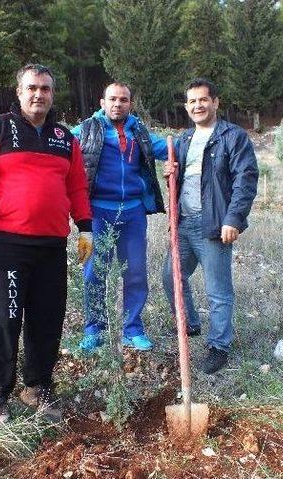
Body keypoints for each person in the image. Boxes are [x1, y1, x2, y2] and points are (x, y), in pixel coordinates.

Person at [0, 63, 93, 425]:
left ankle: (38, 386)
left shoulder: (66, 139)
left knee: (47, 320)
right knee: (4, 319)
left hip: (51, 245)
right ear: (18, 92)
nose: (38, 94)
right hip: (10, 244)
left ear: (52, 94)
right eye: (31, 88)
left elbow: (76, 186)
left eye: (45, 89)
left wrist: (85, 228)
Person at [162, 78, 258, 374]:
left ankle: (219, 346)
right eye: (191, 101)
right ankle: (190, 324)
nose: (197, 105)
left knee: (218, 291)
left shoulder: (233, 136)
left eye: (203, 100)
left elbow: (246, 179)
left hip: (215, 225)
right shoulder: (184, 140)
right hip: (184, 224)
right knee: (171, 278)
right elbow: (186, 181)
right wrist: (169, 174)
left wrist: (233, 219)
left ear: (215, 102)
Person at [71, 82, 168, 354]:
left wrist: (185, 149)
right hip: (98, 212)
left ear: (130, 104)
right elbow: (60, 144)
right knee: (94, 273)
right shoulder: (86, 130)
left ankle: (133, 329)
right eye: (112, 99)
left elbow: (166, 148)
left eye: (123, 100)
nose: (117, 104)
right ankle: (94, 330)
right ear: (102, 102)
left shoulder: (139, 131)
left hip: (134, 213)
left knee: (135, 273)